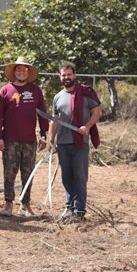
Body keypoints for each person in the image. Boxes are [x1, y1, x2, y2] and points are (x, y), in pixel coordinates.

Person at [0, 57, 49, 217]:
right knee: (9, 172)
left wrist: (44, 134)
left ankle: (25, 205)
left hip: (30, 140)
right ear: (14, 72)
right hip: (9, 140)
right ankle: (8, 204)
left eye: (24, 69)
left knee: (28, 172)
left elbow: (43, 114)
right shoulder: (5, 91)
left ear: (28, 72)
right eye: (18, 69)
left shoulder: (35, 91)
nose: (21, 71)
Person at [49, 62, 102, 222]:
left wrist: (87, 127)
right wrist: (50, 140)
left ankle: (79, 210)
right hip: (63, 143)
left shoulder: (85, 93)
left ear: (74, 75)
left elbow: (97, 112)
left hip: (80, 142)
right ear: (60, 76)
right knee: (67, 177)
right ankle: (69, 207)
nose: (66, 77)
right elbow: (54, 120)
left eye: (69, 74)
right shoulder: (58, 97)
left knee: (79, 177)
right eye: (63, 75)